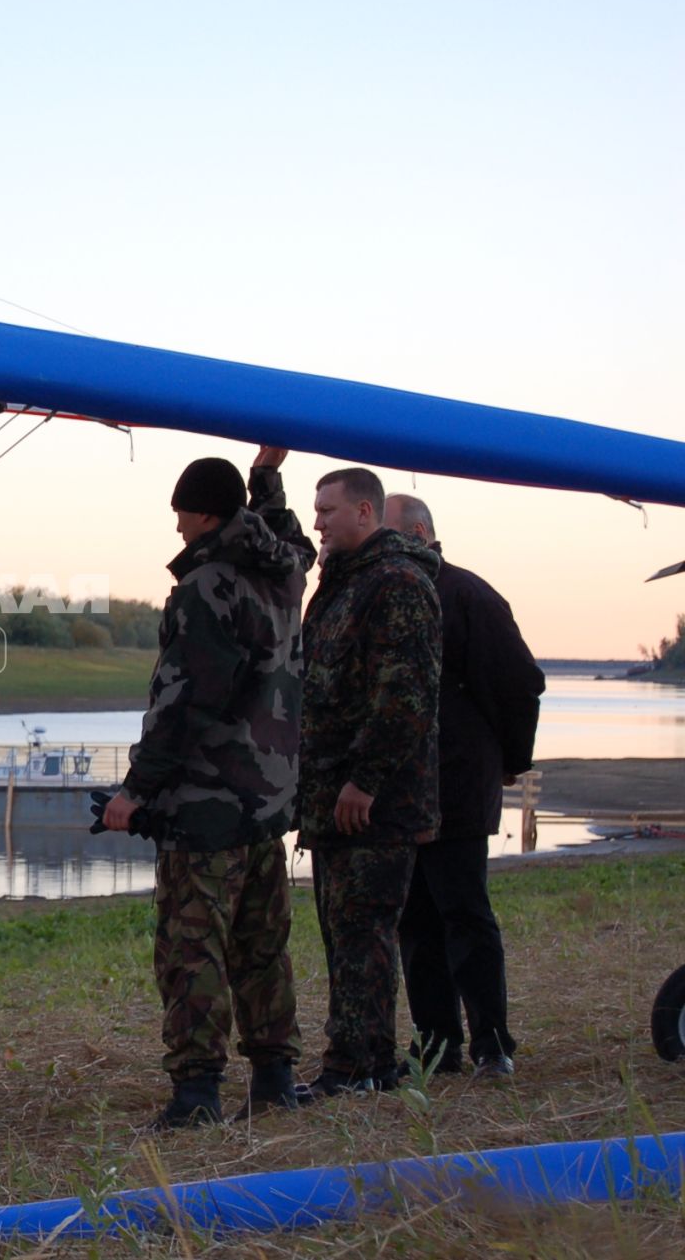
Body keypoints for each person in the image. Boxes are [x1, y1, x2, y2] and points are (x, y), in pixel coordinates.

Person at [103, 448, 313, 1127]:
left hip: (205, 807)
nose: (178, 529)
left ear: (206, 513)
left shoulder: (206, 588)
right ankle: (276, 1077)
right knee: (262, 945)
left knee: (193, 949)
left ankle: (197, 1092)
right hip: (268, 802)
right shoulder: (285, 576)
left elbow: (187, 701)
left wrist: (135, 791)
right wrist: (267, 478)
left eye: (183, 514)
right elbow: (288, 536)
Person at [385, 494, 542, 1079]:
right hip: (402, 793)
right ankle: (436, 1046)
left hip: (455, 785)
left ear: (422, 532)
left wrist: (510, 760)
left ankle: (492, 1044)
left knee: (465, 915)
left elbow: (520, 684)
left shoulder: (467, 595)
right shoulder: (389, 593)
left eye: (389, 530)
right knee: (415, 923)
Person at [298, 468, 442, 1096]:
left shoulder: (399, 583)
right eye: (315, 510)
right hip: (333, 796)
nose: (318, 522)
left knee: (365, 933)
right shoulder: (341, 583)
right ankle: (359, 1059)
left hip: (375, 802)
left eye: (327, 511)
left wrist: (365, 779)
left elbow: (405, 695)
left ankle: (360, 1068)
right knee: (343, 930)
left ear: (365, 511)